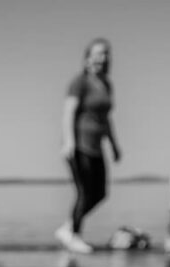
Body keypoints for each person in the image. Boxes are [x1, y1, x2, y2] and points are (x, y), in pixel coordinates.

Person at [56, 38, 121, 254]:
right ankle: (74, 235)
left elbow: (106, 119)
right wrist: (69, 142)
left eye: (106, 53)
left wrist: (114, 145)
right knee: (83, 192)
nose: (102, 57)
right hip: (79, 144)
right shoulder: (80, 82)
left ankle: (67, 227)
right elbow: (69, 112)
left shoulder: (106, 84)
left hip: (97, 145)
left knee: (101, 192)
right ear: (87, 58)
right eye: (98, 53)